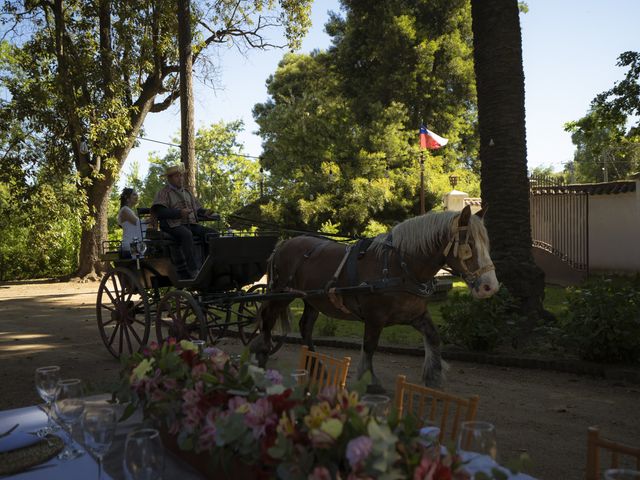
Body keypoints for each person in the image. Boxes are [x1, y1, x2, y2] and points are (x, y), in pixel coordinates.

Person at [152, 164, 217, 279]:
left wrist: (205, 212)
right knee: (186, 234)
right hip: (170, 225)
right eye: (177, 176)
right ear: (170, 178)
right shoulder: (163, 193)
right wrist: (179, 213)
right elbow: (160, 212)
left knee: (212, 233)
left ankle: (209, 265)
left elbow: (197, 209)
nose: (180, 178)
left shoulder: (187, 192)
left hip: (189, 224)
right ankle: (193, 270)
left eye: (181, 176)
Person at [117, 188, 143, 258]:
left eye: (137, 194)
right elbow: (137, 223)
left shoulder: (129, 210)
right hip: (130, 245)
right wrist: (152, 219)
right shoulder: (125, 210)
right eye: (134, 194)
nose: (137, 196)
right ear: (127, 198)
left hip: (134, 243)